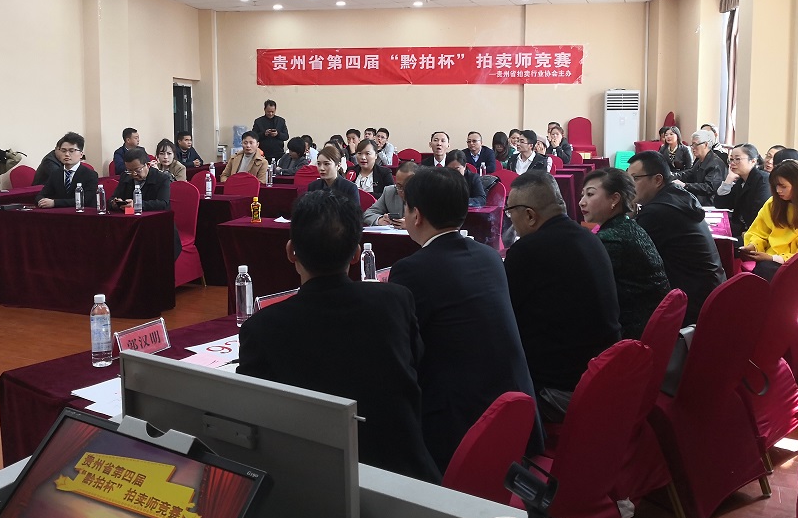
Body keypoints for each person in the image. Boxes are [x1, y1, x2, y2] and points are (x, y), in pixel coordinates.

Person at [237, 189, 441, 484]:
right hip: (407, 478)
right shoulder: (395, 301)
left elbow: (252, 419)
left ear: (291, 251)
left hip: (316, 485)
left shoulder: (262, 328)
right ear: (357, 254)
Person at [388, 167, 542, 473]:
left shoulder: (411, 270)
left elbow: (404, 349)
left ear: (416, 215)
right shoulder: (489, 256)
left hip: (462, 427)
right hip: (516, 413)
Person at [504, 170, 622, 423]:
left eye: (510, 212)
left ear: (529, 215)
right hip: (604, 375)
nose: (510, 220)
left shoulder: (527, 251)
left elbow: (504, 319)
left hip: (562, 391)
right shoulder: (590, 238)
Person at [627, 150, 725, 325]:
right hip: (711, 292)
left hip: (691, 304)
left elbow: (630, 254)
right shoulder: (678, 196)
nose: (629, 187)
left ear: (658, 180)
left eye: (635, 179)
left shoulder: (657, 211)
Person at [578, 168, 671, 340]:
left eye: (590, 194)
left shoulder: (611, 239)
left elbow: (585, 290)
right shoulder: (627, 226)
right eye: (582, 195)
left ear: (615, 199)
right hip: (651, 325)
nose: (581, 202)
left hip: (632, 334)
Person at [713, 143, 771, 243]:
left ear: (753, 161)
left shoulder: (763, 180)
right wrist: (728, 181)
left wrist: (748, 233)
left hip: (755, 234)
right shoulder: (741, 181)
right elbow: (721, 204)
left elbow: (759, 212)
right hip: (740, 229)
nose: (732, 163)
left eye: (737, 159)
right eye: (731, 159)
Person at [36, 132, 97, 209]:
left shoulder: (90, 175)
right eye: (63, 151)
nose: (67, 154)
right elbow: (41, 195)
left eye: (71, 151)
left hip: (83, 213)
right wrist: (42, 201)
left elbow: (85, 200)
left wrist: (55, 203)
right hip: (59, 213)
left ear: (81, 154)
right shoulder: (56, 173)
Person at [671, 129, 728, 207]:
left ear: (705, 144)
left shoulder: (715, 164)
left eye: (695, 144)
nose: (692, 148)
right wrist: (670, 176)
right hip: (699, 200)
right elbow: (689, 174)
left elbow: (709, 188)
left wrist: (685, 185)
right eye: (692, 145)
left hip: (709, 204)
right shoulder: (701, 160)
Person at [363, 161, 416, 227]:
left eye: (407, 186)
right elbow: (368, 214)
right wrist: (380, 220)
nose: (402, 191)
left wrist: (411, 224)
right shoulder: (390, 192)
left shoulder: (426, 194)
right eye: (399, 186)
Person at [252, 99, 289, 163]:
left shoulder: (281, 121)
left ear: (275, 110)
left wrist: (277, 134)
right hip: (262, 153)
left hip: (278, 153)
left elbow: (286, 136)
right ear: (264, 109)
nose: (270, 114)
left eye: (272, 112)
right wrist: (264, 134)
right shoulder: (258, 121)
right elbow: (253, 137)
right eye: (268, 112)